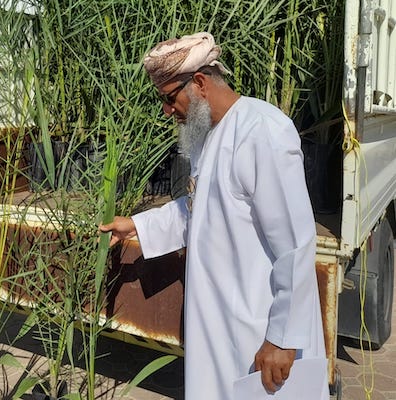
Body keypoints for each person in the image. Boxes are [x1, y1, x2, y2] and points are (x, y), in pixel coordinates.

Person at [100, 32, 328, 399]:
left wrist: (283, 338)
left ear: (200, 83)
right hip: (220, 321)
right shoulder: (209, 136)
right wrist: (138, 224)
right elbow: (201, 209)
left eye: (169, 98)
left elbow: (296, 243)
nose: (167, 111)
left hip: (259, 325)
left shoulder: (262, 131)